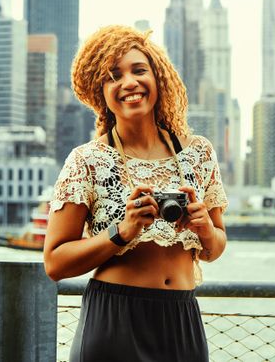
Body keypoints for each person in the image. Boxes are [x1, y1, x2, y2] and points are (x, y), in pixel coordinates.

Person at [44, 25, 228, 362]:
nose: (129, 82)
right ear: (101, 92)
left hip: (182, 320)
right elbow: (54, 262)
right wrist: (121, 231)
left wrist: (204, 229)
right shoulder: (87, 160)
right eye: (113, 76)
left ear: (158, 78)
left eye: (139, 70)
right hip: (115, 320)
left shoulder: (199, 153)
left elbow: (215, 249)